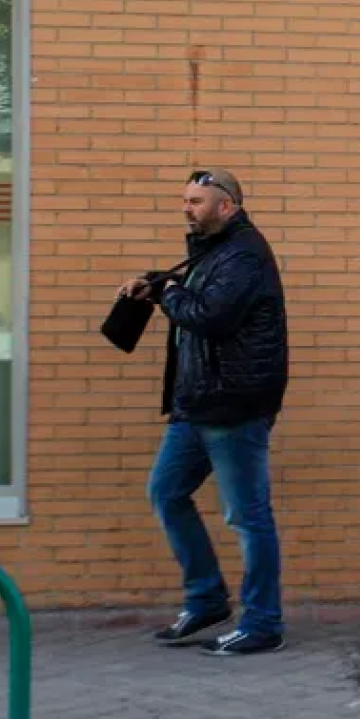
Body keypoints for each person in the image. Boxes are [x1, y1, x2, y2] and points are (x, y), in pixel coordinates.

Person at [117, 167, 290, 657]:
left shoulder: (244, 253)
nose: (187, 208)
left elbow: (211, 315)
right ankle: (208, 599)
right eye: (186, 200)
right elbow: (200, 300)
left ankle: (263, 623)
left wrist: (167, 292)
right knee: (166, 492)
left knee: (248, 515)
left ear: (225, 206)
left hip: (234, 404)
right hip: (197, 404)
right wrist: (162, 284)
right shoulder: (214, 251)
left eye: (196, 201)